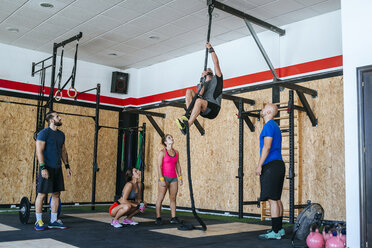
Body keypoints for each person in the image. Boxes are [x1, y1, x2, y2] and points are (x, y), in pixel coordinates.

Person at [34, 111, 72, 231]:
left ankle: (53, 221)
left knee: (56, 194)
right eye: (57, 117)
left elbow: (63, 151)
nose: (60, 118)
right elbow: (39, 151)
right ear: (51, 120)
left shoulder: (61, 134)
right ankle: (38, 221)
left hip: (57, 167)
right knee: (42, 194)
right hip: (47, 167)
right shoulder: (43, 133)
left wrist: (67, 166)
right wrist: (43, 167)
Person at [176, 42, 223, 134]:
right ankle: (189, 114)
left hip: (214, 109)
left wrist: (211, 49)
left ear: (212, 74)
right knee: (189, 91)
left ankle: (187, 127)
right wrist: (203, 81)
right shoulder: (201, 84)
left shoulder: (217, 79)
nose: (206, 73)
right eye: (205, 72)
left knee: (198, 101)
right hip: (203, 108)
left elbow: (216, 63)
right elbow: (200, 94)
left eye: (208, 72)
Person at [255, 103, 285, 239]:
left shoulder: (268, 126)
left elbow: (266, 147)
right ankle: (279, 229)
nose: (261, 110)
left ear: (268, 112)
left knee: (272, 200)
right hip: (278, 165)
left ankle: (275, 231)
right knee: (276, 199)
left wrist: (259, 165)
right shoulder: (275, 126)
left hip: (271, 166)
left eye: (263, 108)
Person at [155, 134, 183, 225]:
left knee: (173, 198)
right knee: (160, 197)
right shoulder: (162, 152)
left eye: (172, 137)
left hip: (173, 178)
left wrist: (180, 177)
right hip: (164, 178)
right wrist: (161, 179)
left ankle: (173, 217)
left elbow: (177, 165)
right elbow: (159, 167)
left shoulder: (176, 152)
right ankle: (158, 218)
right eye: (169, 138)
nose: (172, 138)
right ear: (165, 142)